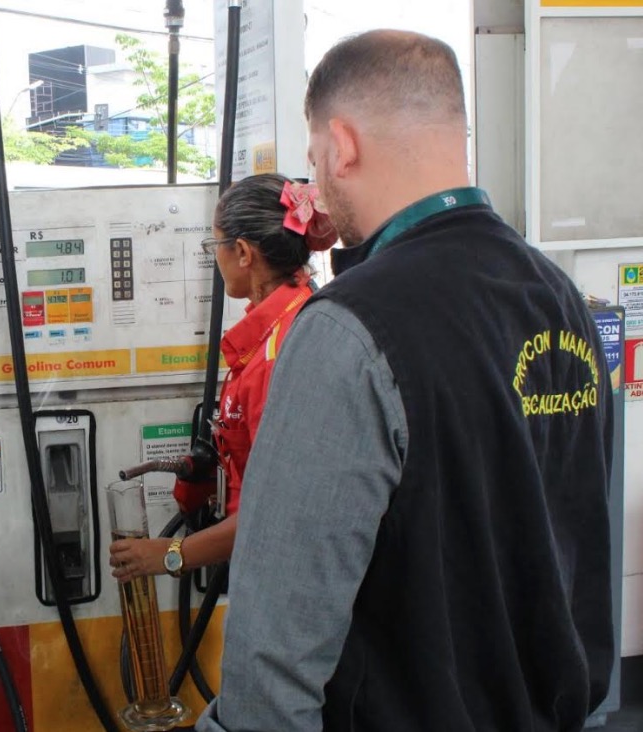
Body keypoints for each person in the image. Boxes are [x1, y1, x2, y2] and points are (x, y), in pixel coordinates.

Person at [198, 30, 614, 732]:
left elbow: (274, 664)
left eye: (314, 158)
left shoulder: (346, 332)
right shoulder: (558, 297)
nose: (317, 182)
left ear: (342, 144)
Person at [109, 173, 337, 583]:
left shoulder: (281, 352)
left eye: (215, 246)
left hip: (285, 575)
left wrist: (170, 554)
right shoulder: (278, 328)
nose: (216, 257)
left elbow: (277, 507)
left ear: (244, 253)